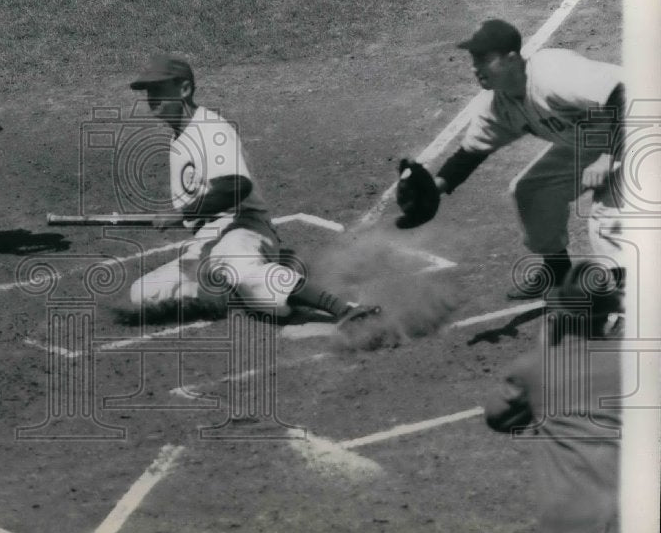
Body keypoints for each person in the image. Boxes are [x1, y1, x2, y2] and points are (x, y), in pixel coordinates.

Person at [127, 54, 373, 321]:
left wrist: (183, 213)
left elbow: (236, 186)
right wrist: (186, 218)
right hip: (208, 241)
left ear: (184, 89)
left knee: (246, 277)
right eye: (148, 91)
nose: (152, 98)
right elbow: (200, 214)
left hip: (243, 228)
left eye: (158, 90)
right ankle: (246, 284)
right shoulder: (178, 141)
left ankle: (344, 310)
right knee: (145, 293)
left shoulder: (211, 130)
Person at [428, 19, 625, 300]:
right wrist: (435, 188)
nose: (475, 68)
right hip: (597, 139)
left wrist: (608, 157)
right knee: (533, 191)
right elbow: (471, 152)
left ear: (511, 59)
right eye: (474, 60)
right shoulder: (501, 103)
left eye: (484, 59)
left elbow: (625, 93)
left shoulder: (552, 73)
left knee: (608, 220)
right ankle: (559, 275)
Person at [484, 260, 623, 533]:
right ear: (608, 314)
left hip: (572, 523)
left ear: (558, 315)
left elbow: (498, 418)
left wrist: (544, 352)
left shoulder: (535, 368)